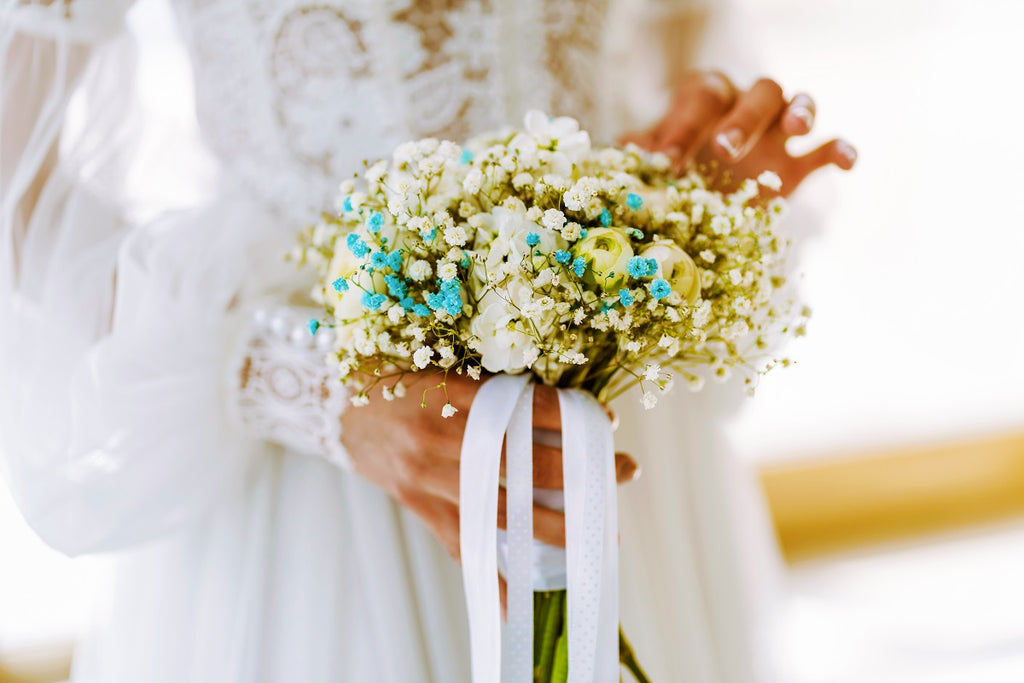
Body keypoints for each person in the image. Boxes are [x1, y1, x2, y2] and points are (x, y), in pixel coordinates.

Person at [0, 0, 854, 681]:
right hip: (317, 496)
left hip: (601, 434)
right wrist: (309, 388)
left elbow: (678, 50)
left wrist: (690, 151)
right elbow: (15, 186)